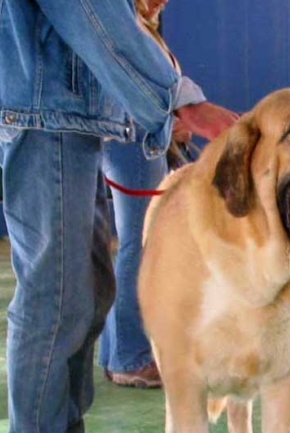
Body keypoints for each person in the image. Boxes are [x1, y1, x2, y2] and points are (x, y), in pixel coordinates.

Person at [0, 0, 234, 433]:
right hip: (40, 104)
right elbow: (91, 10)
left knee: (90, 285)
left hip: (63, 105)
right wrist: (180, 101)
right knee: (56, 295)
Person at [100, 0, 238, 389]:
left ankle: (116, 352)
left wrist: (171, 121)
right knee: (141, 248)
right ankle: (133, 356)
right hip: (134, 144)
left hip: (130, 143)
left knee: (128, 247)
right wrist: (171, 120)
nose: (161, 2)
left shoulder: (141, 32)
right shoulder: (129, 30)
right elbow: (132, 93)